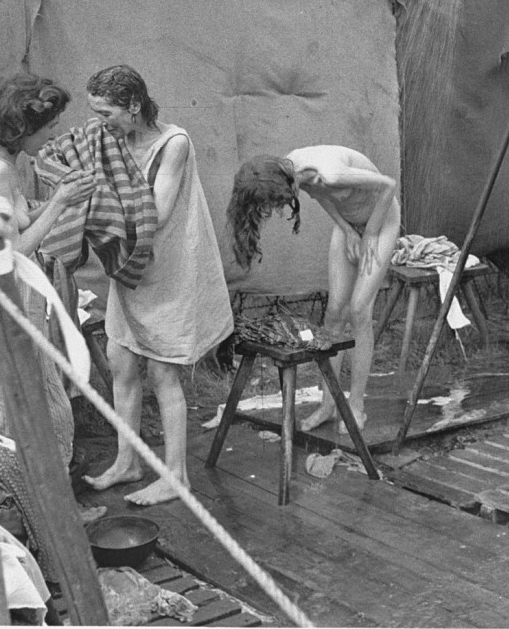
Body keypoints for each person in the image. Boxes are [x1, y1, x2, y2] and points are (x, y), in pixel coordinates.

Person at [82, 65, 233, 506]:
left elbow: (159, 212)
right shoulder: (111, 138)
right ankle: (128, 461)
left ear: (133, 106)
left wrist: (92, 204)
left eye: (106, 111)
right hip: (130, 268)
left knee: (163, 370)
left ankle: (176, 476)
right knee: (121, 362)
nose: (100, 121)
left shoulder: (174, 144)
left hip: (168, 269)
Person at [228, 146, 399, 432]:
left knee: (358, 311)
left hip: (381, 222)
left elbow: (388, 186)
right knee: (333, 314)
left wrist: (369, 233)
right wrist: (346, 229)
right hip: (348, 224)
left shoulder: (330, 172)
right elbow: (322, 197)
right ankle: (329, 404)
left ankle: (356, 406)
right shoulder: (294, 167)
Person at [0, 74, 96, 467]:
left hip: (11, 296)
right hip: (3, 299)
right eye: (48, 127)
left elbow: (22, 219)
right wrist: (61, 202)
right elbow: (12, 254)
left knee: (41, 399)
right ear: (23, 126)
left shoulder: (4, 159)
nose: (53, 134)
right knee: (24, 408)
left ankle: (39, 513)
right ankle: (35, 515)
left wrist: (67, 193)